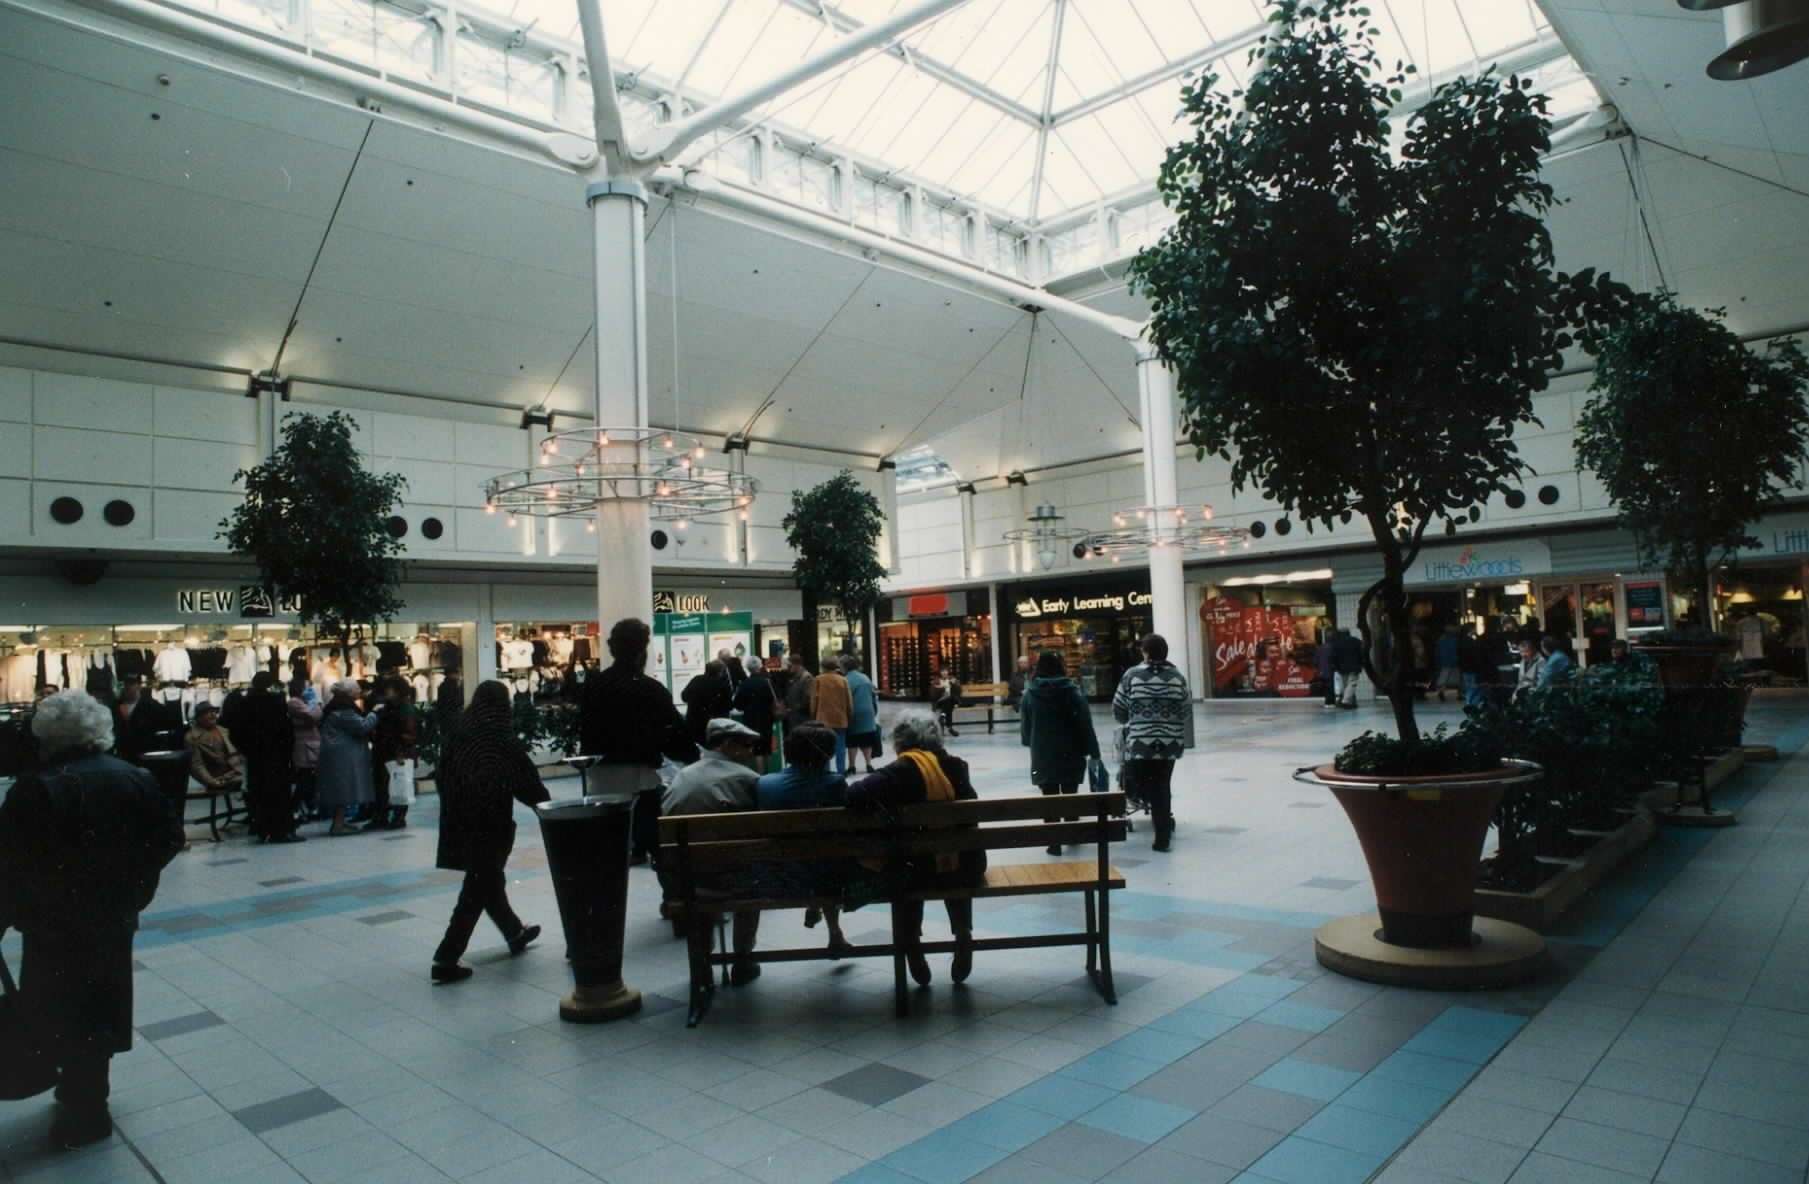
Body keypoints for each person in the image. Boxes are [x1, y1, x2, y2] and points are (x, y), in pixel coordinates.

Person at [0, 691, 184, 1149]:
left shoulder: (37, 787)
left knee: (56, 1005)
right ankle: (88, 1094)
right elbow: (168, 838)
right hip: (112, 917)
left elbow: (10, 864)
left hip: (53, 923)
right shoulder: (135, 777)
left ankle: (82, 1105)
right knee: (103, 1004)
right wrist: (136, 888)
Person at [846, 711, 984, 987]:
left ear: (900, 741)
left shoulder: (896, 773)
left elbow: (853, 796)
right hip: (966, 868)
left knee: (904, 864)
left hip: (914, 872)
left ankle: (912, 943)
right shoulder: (957, 766)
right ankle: (963, 932)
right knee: (952, 850)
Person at [431, 681, 548, 984]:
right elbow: (524, 778)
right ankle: (446, 957)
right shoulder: (498, 735)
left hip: (458, 821)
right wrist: (546, 806)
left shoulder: (458, 732)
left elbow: (441, 775)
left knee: (487, 880)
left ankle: (514, 932)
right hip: (490, 821)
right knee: (478, 886)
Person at [579, 618, 696, 866]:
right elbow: (677, 736)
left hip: (602, 778)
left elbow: (586, 732)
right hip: (642, 778)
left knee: (608, 850)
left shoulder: (594, 686)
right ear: (642, 650)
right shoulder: (650, 689)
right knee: (656, 840)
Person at [663, 718, 764, 985]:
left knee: (703, 881)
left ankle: (702, 963)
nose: (751, 752)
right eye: (747, 745)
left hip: (685, 882)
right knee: (748, 874)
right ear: (729, 745)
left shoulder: (681, 777)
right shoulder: (747, 779)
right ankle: (742, 959)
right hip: (736, 881)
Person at [754, 722, 851, 954]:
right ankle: (834, 931)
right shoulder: (835, 784)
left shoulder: (765, 784)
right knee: (827, 856)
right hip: (827, 876)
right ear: (827, 754)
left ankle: (817, 907)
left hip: (777, 878)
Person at [1112, 634, 1189, 852]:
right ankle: (1162, 837)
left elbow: (1118, 708)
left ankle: (1143, 806)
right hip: (1169, 743)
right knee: (1162, 786)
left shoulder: (1132, 675)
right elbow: (1185, 710)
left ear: (1145, 652)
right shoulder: (1177, 677)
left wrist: (1134, 719)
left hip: (1141, 743)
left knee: (1142, 783)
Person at [1021, 651, 1101, 856]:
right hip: (1071, 753)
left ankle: (1053, 841)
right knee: (1070, 794)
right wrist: (1093, 752)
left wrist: (1031, 742)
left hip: (1043, 754)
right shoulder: (1073, 692)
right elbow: (1085, 724)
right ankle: (1072, 834)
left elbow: (1026, 728)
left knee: (1049, 797)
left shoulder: (1031, 694)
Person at [237, 672, 300, 844]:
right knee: (279, 793)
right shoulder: (276, 702)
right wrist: (288, 751)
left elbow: (238, 731)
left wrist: (247, 750)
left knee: (259, 792)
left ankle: (262, 829)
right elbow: (286, 730)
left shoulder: (244, 703)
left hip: (256, 757)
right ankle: (280, 830)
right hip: (276, 756)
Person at [316, 678, 380, 836]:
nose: (360, 691)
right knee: (344, 789)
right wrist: (374, 713)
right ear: (349, 693)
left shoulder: (333, 707)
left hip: (336, 754)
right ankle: (338, 825)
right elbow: (362, 726)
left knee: (341, 788)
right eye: (357, 689)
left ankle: (340, 822)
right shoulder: (344, 711)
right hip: (343, 756)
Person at [366, 676, 418, 831]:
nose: (386, 691)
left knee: (398, 784)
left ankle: (397, 817)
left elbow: (409, 734)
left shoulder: (404, 709)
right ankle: (383, 816)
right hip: (385, 751)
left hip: (397, 752)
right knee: (385, 785)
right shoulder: (389, 707)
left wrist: (401, 750)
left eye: (390, 689)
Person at [185, 702, 243, 799]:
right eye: (208, 713)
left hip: (235, 772)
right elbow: (197, 765)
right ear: (199, 718)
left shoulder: (223, 730)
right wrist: (212, 782)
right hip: (216, 777)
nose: (213, 715)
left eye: (214, 712)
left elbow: (235, 752)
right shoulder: (192, 737)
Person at [287, 677, 322, 823]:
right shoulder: (294, 702)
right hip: (303, 746)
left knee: (309, 779)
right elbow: (314, 715)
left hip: (310, 744)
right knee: (304, 779)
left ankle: (309, 807)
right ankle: (294, 808)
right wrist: (316, 704)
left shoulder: (304, 702)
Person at [114, 678, 175, 762]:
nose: (126, 687)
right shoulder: (115, 706)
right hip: (123, 754)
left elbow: (168, 722)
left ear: (138, 686)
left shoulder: (151, 705)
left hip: (146, 753)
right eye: (124, 685)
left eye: (131, 684)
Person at [811, 657, 853, 774]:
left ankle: (826, 771)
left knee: (824, 747)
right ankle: (841, 772)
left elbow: (814, 701)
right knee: (840, 748)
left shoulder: (818, 680)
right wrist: (849, 716)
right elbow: (849, 702)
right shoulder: (843, 680)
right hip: (840, 718)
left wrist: (814, 716)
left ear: (823, 667)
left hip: (823, 719)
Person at [841, 655, 881, 775]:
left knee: (852, 740)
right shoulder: (865, 677)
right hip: (868, 712)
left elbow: (845, 698)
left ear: (845, 667)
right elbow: (873, 694)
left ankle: (852, 766)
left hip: (854, 713)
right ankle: (868, 764)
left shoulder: (846, 679)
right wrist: (873, 709)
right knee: (866, 740)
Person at [733, 656, 780, 758]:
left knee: (755, 749)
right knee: (766, 747)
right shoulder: (767, 682)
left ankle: (759, 773)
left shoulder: (744, 684)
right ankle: (767, 771)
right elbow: (774, 699)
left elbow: (737, 704)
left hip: (750, 719)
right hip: (766, 718)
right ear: (760, 666)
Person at [682, 660, 735, 747]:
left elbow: (684, 696)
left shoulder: (696, 680)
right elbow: (728, 705)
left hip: (694, 722)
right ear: (720, 672)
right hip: (713, 725)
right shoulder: (721, 684)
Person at [782, 653, 815, 737]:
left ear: (797, 665)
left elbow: (808, 699)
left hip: (802, 718)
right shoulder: (794, 677)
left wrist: (794, 708)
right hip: (795, 717)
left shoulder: (806, 678)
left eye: (790, 665)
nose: (788, 668)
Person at [1331, 628, 1365, 709]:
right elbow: (1362, 653)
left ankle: (1349, 702)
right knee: (1352, 684)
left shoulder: (1336, 643)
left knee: (1346, 685)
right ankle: (1346, 701)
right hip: (1354, 666)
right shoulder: (1356, 641)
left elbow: (1334, 657)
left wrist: (1336, 667)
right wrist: (1362, 663)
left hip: (1342, 668)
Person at [932, 665, 963, 736]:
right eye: (942, 671)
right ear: (940, 673)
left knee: (948, 701)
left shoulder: (952, 679)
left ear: (948, 672)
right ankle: (950, 728)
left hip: (950, 701)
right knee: (948, 704)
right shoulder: (936, 681)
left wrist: (954, 684)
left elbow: (959, 690)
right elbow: (933, 694)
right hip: (940, 702)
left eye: (945, 671)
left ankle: (942, 716)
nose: (944, 673)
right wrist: (941, 688)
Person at [1434, 626, 1461, 703]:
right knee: (1458, 678)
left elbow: (1437, 652)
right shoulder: (1456, 640)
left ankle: (1441, 691)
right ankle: (1460, 694)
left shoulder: (1440, 640)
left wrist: (1438, 661)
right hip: (1455, 661)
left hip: (1444, 661)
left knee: (1443, 678)